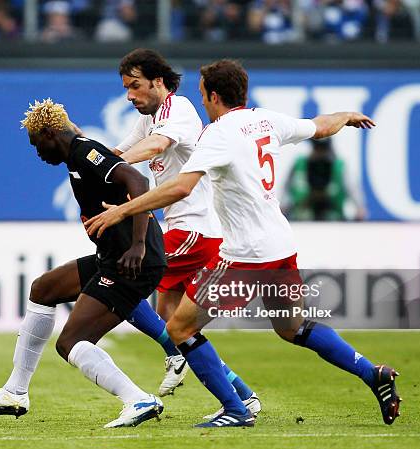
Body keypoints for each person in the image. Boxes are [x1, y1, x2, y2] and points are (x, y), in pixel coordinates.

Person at [85, 59, 401, 428]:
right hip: (280, 245)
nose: (201, 102)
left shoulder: (218, 134)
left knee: (179, 329)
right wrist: (346, 115)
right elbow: (320, 125)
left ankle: (237, 409)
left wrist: (123, 211)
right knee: (293, 328)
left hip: (244, 255)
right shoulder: (267, 120)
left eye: (203, 95)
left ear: (214, 95)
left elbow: (180, 187)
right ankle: (371, 372)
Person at [0, 99, 166, 428]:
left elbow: (139, 183)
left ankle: (137, 399)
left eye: (36, 144)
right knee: (43, 289)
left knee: (70, 343)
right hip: (112, 257)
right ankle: (15, 391)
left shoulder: (85, 153)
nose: (38, 152)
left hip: (133, 261)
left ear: (48, 134)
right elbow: (76, 138)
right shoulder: (75, 152)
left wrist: (139, 244)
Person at [115, 48, 261, 419]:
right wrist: (79, 150)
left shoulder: (177, 110)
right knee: (172, 321)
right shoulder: (149, 118)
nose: (130, 95)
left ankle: (174, 357)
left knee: (120, 281)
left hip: (195, 228)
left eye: (135, 86)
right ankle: (242, 394)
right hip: (183, 228)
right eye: (126, 88)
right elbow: (119, 150)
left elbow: (154, 147)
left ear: (158, 82)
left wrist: (112, 165)